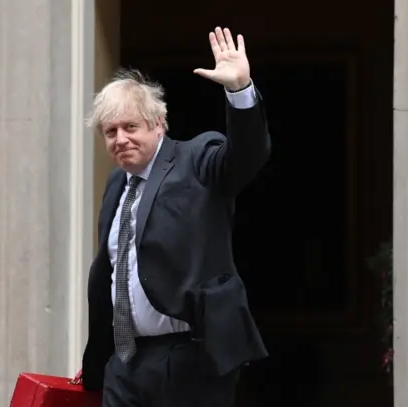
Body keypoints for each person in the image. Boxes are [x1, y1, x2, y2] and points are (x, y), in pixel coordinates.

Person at [81, 27, 271, 407]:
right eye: (110, 131)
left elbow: (247, 155)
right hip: (125, 359)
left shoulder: (197, 159)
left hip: (191, 355)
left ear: (158, 124)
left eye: (130, 127)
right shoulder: (117, 183)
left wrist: (240, 91)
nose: (120, 139)